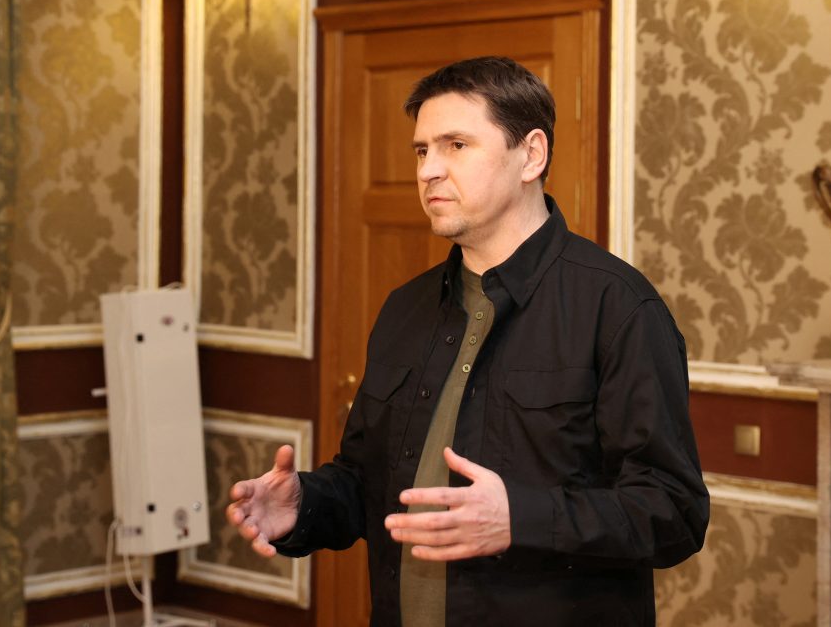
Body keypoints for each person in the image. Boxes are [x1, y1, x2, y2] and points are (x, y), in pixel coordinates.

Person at [226, 56, 709, 626]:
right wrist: (304, 505)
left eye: (455, 145)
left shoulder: (619, 308)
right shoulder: (405, 308)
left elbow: (672, 511)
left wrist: (520, 518)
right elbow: (368, 482)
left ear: (531, 155)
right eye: (421, 151)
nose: (428, 170)